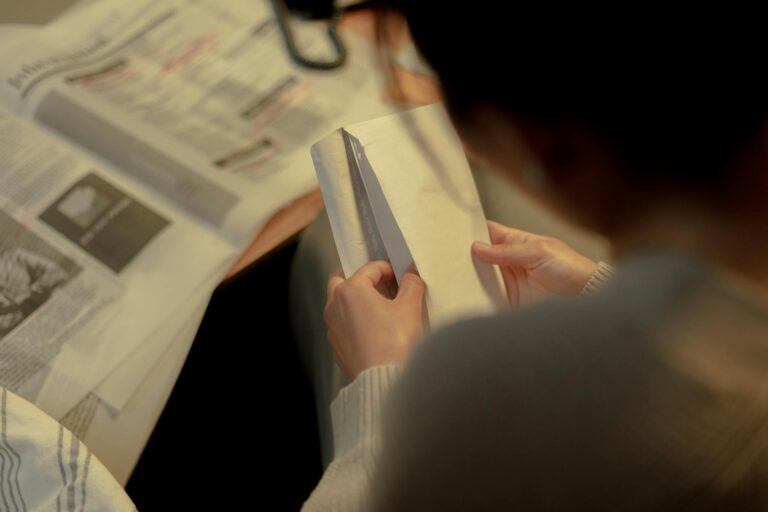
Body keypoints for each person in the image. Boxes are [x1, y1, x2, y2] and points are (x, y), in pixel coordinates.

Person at [296, 3, 768, 511]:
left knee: (320, 245)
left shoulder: (480, 387)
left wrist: (382, 389)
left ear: (540, 145)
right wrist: (601, 288)